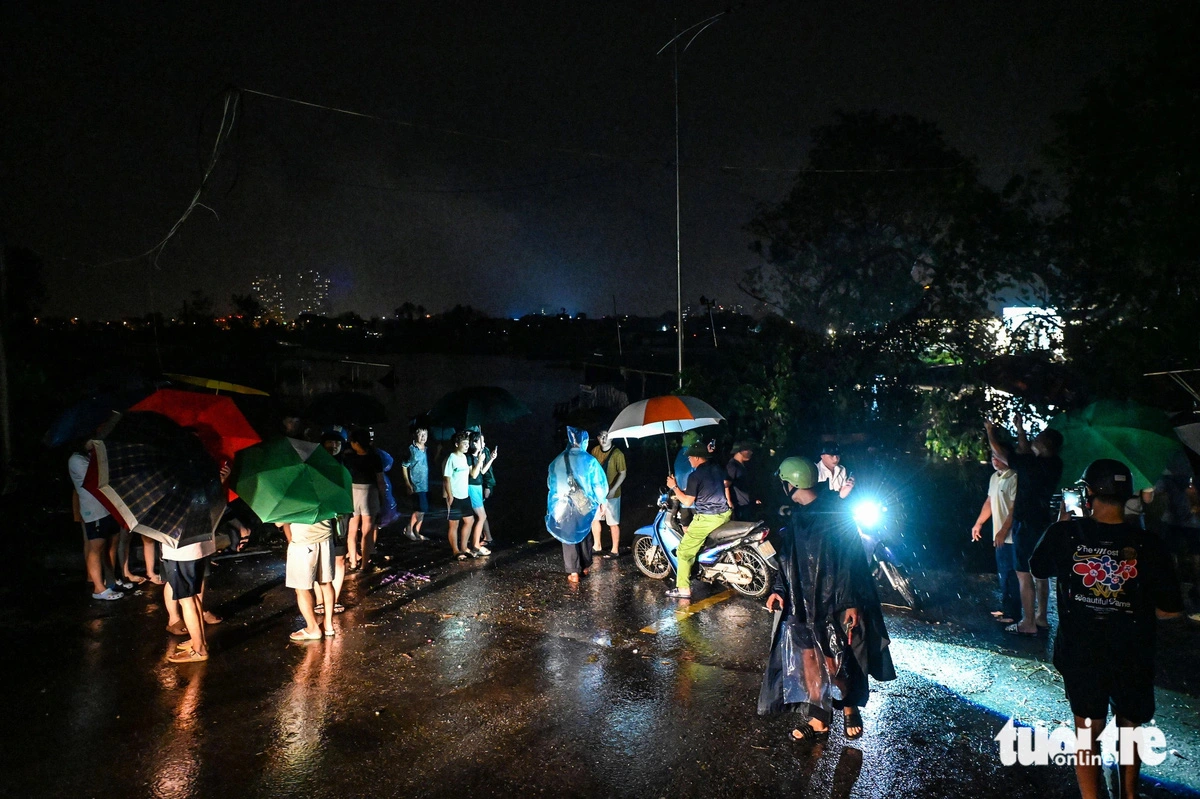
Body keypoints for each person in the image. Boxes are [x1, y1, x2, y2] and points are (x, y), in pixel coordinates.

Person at [1030, 459, 1182, 799]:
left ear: (1087, 495)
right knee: (1130, 728)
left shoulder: (1065, 534)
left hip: (1081, 651)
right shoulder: (1149, 544)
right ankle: (1128, 795)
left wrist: (1062, 525)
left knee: (1087, 731)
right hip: (1133, 652)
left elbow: (1038, 568)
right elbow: (1169, 611)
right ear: (1127, 494)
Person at [759, 457, 896, 742]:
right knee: (809, 658)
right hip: (802, 604)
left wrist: (850, 602)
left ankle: (849, 708)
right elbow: (787, 560)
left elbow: (851, 562)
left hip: (833, 602)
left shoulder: (835, 514)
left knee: (837, 661)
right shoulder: (796, 518)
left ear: (791, 483)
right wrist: (779, 590)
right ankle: (818, 719)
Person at [987, 414, 1063, 636]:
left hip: (1026, 523)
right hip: (1042, 522)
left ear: (1044, 444)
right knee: (1041, 572)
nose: (1033, 440)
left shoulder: (1031, 466)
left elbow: (1002, 453)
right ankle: (1041, 617)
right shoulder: (1054, 464)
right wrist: (1020, 429)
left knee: (1023, 572)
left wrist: (990, 431)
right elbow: (1025, 450)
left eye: (1036, 438)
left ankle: (1027, 621)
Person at [664, 440, 732, 599]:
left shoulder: (695, 475)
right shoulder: (716, 468)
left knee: (683, 551)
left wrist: (674, 486)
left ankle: (683, 589)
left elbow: (687, 502)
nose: (688, 460)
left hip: (708, 518)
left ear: (696, 457)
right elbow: (725, 483)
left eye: (689, 457)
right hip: (724, 513)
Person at [68, 446, 124, 600]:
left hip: (106, 507)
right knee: (96, 548)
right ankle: (98, 588)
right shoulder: (76, 459)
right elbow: (97, 478)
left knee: (110, 545)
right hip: (93, 510)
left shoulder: (87, 456)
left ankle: (110, 581)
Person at [971, 445, 1019, 625]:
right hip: (999, 535)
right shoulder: (994, 477)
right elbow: (989, 502)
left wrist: (1003, 530)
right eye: (992, 456)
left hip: (1012, 536)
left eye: (998, 456)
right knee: (1003, 572)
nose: (994, 460)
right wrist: (979, 523)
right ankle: (1007, 608)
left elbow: (1014, 509)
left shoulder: (1014, 477)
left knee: (1012, 574)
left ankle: (1014, 613)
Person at [280, 517, 338, 641]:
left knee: (301, 588)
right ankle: (328, 625)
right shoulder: (325, 496)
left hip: (303, 541)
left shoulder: (293, 497)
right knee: (326, 583)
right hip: (326, 538)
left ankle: (313, 628)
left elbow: (279, 521)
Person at [342, 428, 387, 571]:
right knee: (367, 532)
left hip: (353, 492)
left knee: (352, 530)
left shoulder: (349, 458)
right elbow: (380, 481)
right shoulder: (375, 457)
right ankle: (364, 565)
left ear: (355, 442)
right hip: (370, 493)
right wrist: (383, 498)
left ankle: (353, 562)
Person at [589, 428, 628, 558]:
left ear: (612, 438)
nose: (604, 439)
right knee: (595, 519)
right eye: (601, 436)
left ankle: (615, 550)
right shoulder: (594, 451)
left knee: (613, 521)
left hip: (612, 493)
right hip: (597, 493)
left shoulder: (618, 454)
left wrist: (613, 489)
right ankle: (597, 545)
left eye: (606, 436)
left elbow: (622, 473)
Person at [443, 431, 475, 560]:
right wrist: (450, 495)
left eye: (468, 443)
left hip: (464, 495)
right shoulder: (452, 458)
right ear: (457, 444)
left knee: (469, 520)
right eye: (464, 443)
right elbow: (447, 478)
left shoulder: (464, 458)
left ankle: (463, 548)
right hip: (455, 496)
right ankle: (456, 551)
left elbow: (472, 473)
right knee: (454, 524)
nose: (467, 446)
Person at [466, 431, 498, 557]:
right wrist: (479, 460)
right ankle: (475, 545)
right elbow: (473, 474)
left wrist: (491, 459)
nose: (483, 444)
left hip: (478, 487)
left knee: (481, 517)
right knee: (481, 516)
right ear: (473, 443)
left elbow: (483, 471)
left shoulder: (478, 455)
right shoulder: (469, 457)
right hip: (472, 488)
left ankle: (476, 544)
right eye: (481, 442)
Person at [400, 427, 431, 542]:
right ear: (415, 435)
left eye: (425, 435)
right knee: (420, 509)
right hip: (416, 484)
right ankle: (408, 529)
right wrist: (408, 484)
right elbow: (404, 466)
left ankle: (417, 531)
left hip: (426, 484)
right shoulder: (411, 450)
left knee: (424, 509)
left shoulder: (427, 449)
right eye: (421, 435)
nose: (423, 437)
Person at [726, 440, 759, 521]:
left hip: (746, 504)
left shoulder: (742, 465)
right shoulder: (732, 466)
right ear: (740, 451)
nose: (751, 452)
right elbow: (726, 484)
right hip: (740, 506)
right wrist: (729, 502)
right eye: (748, 450)